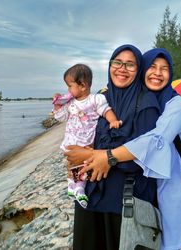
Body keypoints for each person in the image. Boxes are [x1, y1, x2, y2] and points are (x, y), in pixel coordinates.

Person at [68, 48, 181, 249]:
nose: (122, 69)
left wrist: (103, 156)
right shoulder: (102, 100)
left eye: (130, 64)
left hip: (124, 201)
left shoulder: (153, 104)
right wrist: (74, 165)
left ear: (138, 69)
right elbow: (80, 137)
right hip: (90, 198)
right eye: (117, 62)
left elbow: (151, 147)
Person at [52, 63, 121, 208]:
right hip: (71, 140)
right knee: (72, 163)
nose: (68, 90)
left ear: (82, 85)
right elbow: (61, 117)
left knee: (85, 164)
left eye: (70, 86)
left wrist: (113, 120)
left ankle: (78, 187)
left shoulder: (96, 99)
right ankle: (73, 185)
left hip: (86, 141)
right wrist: (58, 106)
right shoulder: (70, 103)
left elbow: (106, 110)